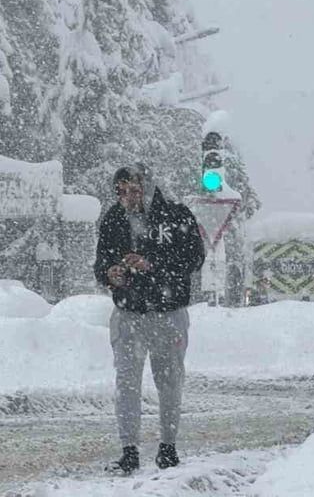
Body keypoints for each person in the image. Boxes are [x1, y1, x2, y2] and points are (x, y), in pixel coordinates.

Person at [94, 164, 205, 475]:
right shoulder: (113, 219)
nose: (127, 198)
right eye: (121, 192)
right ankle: (129, 450)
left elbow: (194, 258)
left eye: (133, 190)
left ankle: (168, 448)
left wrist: (152, 264)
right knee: (126, 383)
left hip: (168, 312)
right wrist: (109, 273)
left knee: (169, 382)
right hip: (128, 312)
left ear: (148, 187)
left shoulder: (176, 215)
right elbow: (101, 258)